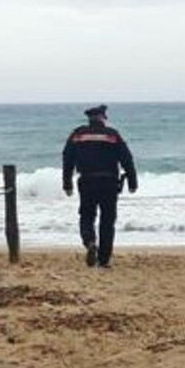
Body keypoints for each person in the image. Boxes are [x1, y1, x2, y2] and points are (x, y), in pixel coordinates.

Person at [62, 104, 137, 268]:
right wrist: (132, 180)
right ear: (103, 118)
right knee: (107, 221)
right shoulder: (112, 135)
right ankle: (103, 260)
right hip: (109, 183)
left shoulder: (78, 134)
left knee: (87, 216)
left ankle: (90, 242)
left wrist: (67, 183)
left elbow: (67, 159)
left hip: (87, 181)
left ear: (89, 119)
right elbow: (126, 158)